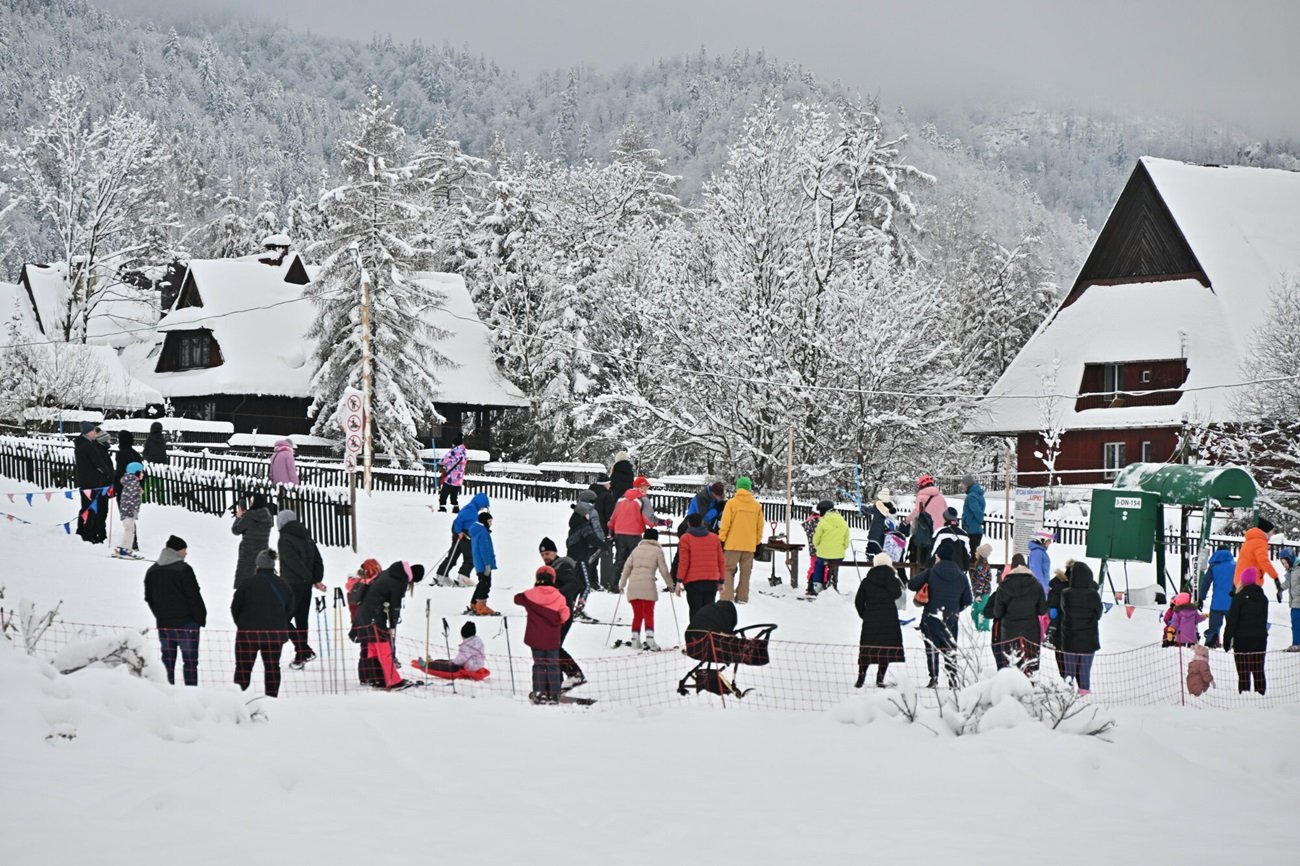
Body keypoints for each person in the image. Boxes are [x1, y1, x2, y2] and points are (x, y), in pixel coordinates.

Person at [143, 535, 207, 686]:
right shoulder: (184, 570)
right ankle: (191, 696)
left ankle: (167, 696)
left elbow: (149, 598)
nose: (186, 553)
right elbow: (194, 597)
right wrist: (199, 618)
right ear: (177, 551)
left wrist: (160, 615)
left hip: (164, 624)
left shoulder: (152, 571)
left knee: (167, 664)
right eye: (184, 550)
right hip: (187, 624)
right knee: (190, 664)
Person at [907, 544, 972, 688]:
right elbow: (968, 600)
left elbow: (911, 584)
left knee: (931, 648)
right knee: (950, 649)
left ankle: (934, 677)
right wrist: (955, 609)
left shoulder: (930, 572)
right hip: (951, 619)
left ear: (939, 557)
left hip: (931, 617)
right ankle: (952, 679)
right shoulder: (961, 576)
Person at [231, 549, 293, 698]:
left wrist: (242, 624)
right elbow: (290, 610)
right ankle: (272, 699)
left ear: (258, 565)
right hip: (274, 635)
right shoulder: (283, 585)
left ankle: (241, 699)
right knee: (272, 667)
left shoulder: (247, 584)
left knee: (243, 668)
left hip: (248, 634)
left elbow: (235, 607)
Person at [355, 561, 424, 690]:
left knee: (373, 648)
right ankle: (393, 681)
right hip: (374, 616)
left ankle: (377, 679)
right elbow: (395, 605)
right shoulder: (400, 580)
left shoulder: (391, 572)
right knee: (384, 648)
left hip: (364, 614)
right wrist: (393, 625)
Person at [276, 508, 325, 667]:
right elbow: (318, 561)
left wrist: (309, 578)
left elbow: (292, 562)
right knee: (301, 619)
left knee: (282, 619)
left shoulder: (284, 539)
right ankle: (301, 656)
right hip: (306, 586)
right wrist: (315, 580)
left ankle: (303, 649)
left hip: (291, 585)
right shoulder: (307, 537)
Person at [516, 565, 571, 704]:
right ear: (553, 579)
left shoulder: (529, 595)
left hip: (535, 638)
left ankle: (539, 693)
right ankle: (554, 694)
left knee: (539, 664)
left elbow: (517, 598)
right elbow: (565, 615)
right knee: (553, 665)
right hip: (552, 638)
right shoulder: (559, 596)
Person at [608, 476, 670, 588]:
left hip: (619, 533)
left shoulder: (621, 499)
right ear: (641, 487)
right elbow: (650, 520)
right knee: (638, 560)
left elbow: (613, 517)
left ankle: (612, 584)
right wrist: (663, 522)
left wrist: (611, 529)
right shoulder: (643, 500)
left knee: (619, 559)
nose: (647, 489)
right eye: (646, 487)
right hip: (634, 535)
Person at [854, 553, 905, 688]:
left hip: (871, 618)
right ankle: (880, 679)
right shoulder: (893, 580)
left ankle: (861, 677)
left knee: (867, 649)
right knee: (885, 649)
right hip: (889, 619)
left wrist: (864, 615)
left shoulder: (867, 581)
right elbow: (897, 594)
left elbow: (859, 601)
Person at [619, 528, 675, 650]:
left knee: (637, 615)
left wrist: (622, 584)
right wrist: (670, 584)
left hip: (633, 586)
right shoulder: (657, 551)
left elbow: (627, 567)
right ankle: (650, 641)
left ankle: (635, 641)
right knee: (648, 614)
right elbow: (663, 569)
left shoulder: (636, 550)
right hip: (647, 586)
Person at [540, 536, 586, 685]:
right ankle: (556, 681)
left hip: (563, 614)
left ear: (555, 552)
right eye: (542, 555)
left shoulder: (562, 566)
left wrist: (556, 594)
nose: (544, 557)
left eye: (547, 553)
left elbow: (575, 584)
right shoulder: (551, 570)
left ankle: (575, 674)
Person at [990, 555, 1047, 674]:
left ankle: (1011, 690)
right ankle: (1030, 688)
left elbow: (997, 612)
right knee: (1030, 664)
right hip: (1031, 632)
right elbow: (1042, 610)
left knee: (1011, 665)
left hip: (1009, 632)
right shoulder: (1036, 585)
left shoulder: (1004, 586)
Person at [1057, 560, 1104, 695]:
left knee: (1069, 670)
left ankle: (1067, 693)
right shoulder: (1093, 594)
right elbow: (1098, 612)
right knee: (1085, 669)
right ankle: (1084, 692)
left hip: (1069, 636)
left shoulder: (1066, 593)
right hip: (1088, 637)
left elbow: (1063, 609)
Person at [719, 476, 765, 604]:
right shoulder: (757, 506)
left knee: (728, 570)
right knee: (746, 572)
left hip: (732, 544)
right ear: (749, 488)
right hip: (749, 545)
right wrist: (757, 542)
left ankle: (727, 597)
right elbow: (759, 527)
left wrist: (722, 539)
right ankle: (742, 597)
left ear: (738, 487)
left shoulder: (731, 503)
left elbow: (725, 524)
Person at [1223, 567, 1269, 695]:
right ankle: (1261, 695)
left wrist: (1227, 640)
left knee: (1243, 672)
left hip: (1242, 640)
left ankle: (1244, 697)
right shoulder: (1263, 598)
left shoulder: (1239, 598)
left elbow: (1232, 621)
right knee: (1259, 670)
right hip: (1260, 639)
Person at [74, 422, 115, 544]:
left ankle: (83, 530)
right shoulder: (88, 446)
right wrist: (107, 473)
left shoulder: (81, 444)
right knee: (91, 509)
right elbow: (98, 463)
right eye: (93, 431)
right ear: (87, 432)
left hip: (85, 481)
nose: (94, 433)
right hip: (92, 482)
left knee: (87, 507)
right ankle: (87, 533)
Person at [677, 512, 726, 615]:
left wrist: (679, 580)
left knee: (695, 612)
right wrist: (721, 580)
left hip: (693, 582)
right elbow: (720, 560)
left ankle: (696, 630)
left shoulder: (685, 538)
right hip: (712, 580)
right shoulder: (714, 538)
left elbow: (684, 561)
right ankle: (707, 631)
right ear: (702, 523)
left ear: (689, 524)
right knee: (708, 614)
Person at [437, 491, 489, 585]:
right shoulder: (470, 509)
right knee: (471, 557)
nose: (482, 508)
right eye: (483, 506)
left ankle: (441, 574)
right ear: (480, 503)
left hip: (463, 533)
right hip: (462, 533)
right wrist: (459, 531)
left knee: (454, 554)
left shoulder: (473, 509)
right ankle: (463, 577)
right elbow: (458, 520)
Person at [567, 490, 605, 615]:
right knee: (586, 585)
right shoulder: (583, 525)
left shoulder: (575, 522)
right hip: (580, 557)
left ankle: (571, 608)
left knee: (577, 584)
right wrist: (604, 545)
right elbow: (591, 537)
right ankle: (578, 609)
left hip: (573, 557)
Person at [231, 492, 274, 587]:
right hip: (262, 552)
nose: (251, 504)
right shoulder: (268, 516)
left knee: (245, 582)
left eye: (252, 502)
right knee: (260, 582)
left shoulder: (250, 515)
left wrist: (239, 517)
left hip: (248, 552)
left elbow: (236, 530)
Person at [1199, 547, 1237, 648]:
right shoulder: (1235, 566)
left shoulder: (1213, 566)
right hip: (1232, 602)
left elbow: (1205, 583)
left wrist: (1201, 598)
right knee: (1232, 625)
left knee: (1214, 626)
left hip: (1217, 603)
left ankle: (1211, 641)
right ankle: (1232, 642)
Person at [1234, 516, 1280, 599]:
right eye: (1272, 531)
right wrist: (1275, 577)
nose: (1273, 534)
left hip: (1241, 580)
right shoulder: (1260, 542)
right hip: (1250, 581)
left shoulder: (1250, 540)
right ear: (1266, 531)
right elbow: (1264, 561)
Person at [809, 499, 849, 595]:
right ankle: (833, 583)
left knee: (819, 564)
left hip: (823, 553)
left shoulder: (823, 522)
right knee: (835, 565)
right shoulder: (843, 521)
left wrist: (819, 548)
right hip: (838, 554)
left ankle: (817, 585)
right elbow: (846, 541)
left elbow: (816, 539)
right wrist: (840, 549)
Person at [908, 474, 947, 564]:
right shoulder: (941, 497)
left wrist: (906, 521)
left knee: (921, 559)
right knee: (934, 559)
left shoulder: (921, 497)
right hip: (939, 534)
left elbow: (916, 512)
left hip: (925, 533)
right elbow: (946, 513)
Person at [420, 621, 487, 675]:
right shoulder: (477, 641)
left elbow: (460, 660)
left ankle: (428, 664)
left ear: (464, 635)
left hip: (471, 667)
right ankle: (432, 662)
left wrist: (453, 662)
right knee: (449, 661)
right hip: (477, 664)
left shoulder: (468, 646)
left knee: (449, 666)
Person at [587, 472, 616, 589]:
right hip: (601, 529)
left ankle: (590, 580)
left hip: (589, 528)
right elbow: (609, 515)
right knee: (599, 554)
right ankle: (599, 581)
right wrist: (610, 531)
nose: (610, 485)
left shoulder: (590, 494)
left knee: (591, 555)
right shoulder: (606, 496)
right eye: (609, 483)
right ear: (605, 483)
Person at [466, 511, 498, 615]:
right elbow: (484, 550)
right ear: (484, 521)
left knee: (481, 583)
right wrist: (487, 565)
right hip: (484, 564)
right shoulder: (483, 532)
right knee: (485, 584)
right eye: (489, 521)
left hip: (479, 563)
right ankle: (481, 606)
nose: (490, 523)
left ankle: (474, 603)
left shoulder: (477, 531)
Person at [114, 462, 145, 560]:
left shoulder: (131, 483)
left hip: (126, 511)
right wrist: (134, 512)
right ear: (136, 473)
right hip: (128, 511)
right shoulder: (133, 483)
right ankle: (126, 549)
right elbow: (131, 500)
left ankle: (123, 548)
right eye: (141, 472)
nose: (143, 474)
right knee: (130, 530)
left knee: (129, 530)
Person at [437, 436, 468, 512]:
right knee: (454, 495)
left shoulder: (453, 452)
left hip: (450, 478)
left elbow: (444, 460)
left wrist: (438, 463)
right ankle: (456, 508)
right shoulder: (464, 452)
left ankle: (442, 508)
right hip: (459, 478)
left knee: (444, 494)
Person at [968, 543, 995, 632]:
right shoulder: (980, 565)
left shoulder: (982, 566)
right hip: (979, 593)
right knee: (974, 612)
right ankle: (979, 628)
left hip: (982, 593)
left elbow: (980, 581)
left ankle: (984, 629)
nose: (975, 553)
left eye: (977, 552)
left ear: (981, 554)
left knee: (982, 611)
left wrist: (978, 593)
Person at [861, 488, 896, 555]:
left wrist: (863, 508)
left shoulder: (878, 506)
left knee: (871, 550)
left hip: (876, 531)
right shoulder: (891, 507)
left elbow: (869, 510)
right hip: (886, 533)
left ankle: (871, 560)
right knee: (881, 549)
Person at [141, 421, 168, 502]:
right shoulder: (162, 439)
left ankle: (146, 499)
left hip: (151, 464)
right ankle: (161, 500)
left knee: (148, 483)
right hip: (161, 465)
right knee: (160, 484)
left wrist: (145, 457)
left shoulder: (150, 439)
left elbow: (146, 451)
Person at [960, 474, 985, 553]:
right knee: (974, 554)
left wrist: (967, 522)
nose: (961, 486)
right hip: (976, 529)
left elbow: (978, 512)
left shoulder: (971, 497)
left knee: (971, 557)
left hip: (971, 530)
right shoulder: (978, 495)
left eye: (963, 484)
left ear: (968, 485)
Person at [1282, 548, 1300, 652]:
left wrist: (1296, 591)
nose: (1284, 565)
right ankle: (1297, 643)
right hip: (1295, 602)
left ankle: (1297, 644)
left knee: (1297, 623)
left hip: (1298, 600)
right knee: (1295, 623)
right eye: (1283, 563)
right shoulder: (1292, 570)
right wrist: (1280, 588)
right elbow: (1288, 582)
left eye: (1286, 562)